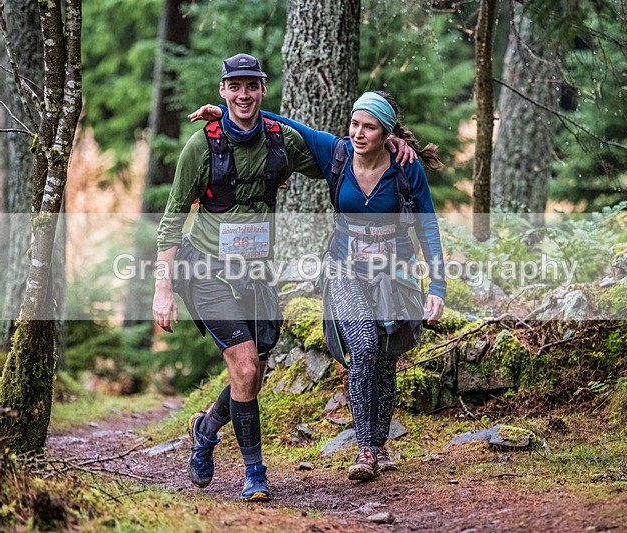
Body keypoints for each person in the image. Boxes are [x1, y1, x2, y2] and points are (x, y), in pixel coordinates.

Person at [154, 54, 415, 500]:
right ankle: (255, 474)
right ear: (223, 90)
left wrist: (391, 143)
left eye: (251, 86)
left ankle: (207, 427)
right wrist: (162, 289)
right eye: (234, 86)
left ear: (262, 89)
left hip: (256, 273)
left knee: (252, 376)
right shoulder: (201, 147)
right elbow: (171, 219)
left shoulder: (281, 140)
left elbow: (344, 155)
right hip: (206, 270)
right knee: (244, 365)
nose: (243, 95)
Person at [189, 90, 446, 481]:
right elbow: (285, 125)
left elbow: (428, 226)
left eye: (369, 127)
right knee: (364, 347)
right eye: (355, 124)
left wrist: (438, 287)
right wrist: (228, 113)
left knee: (386, 357)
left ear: (386, 133)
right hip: (345, 269)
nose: (359, 134)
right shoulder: (337, 153)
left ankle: (380, 446)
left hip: (396, 274)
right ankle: (364, 450)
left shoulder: (405, 167)